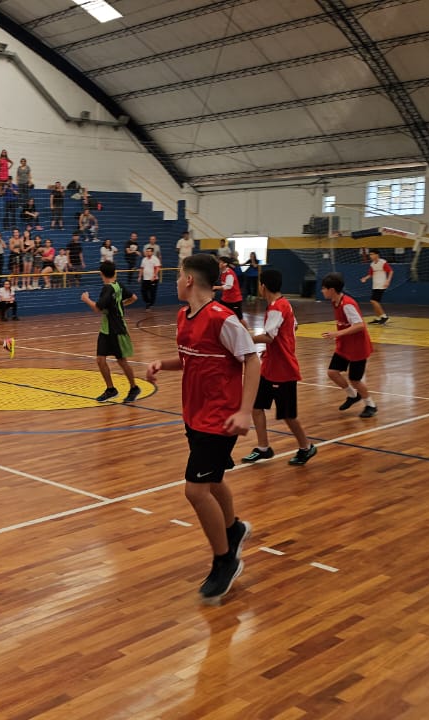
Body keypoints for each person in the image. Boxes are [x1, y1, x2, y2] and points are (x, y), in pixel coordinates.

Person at [145, 253, 258, 604]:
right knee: (214, 480)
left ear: (190, 280)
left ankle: (225, 561)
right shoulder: (184, 316)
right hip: (194, 414)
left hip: (220, 418)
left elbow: (251, 360)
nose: (175, 281)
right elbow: (189, 356)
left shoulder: (222, 319)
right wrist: (162, 364)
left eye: (178, 276)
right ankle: (234, 529)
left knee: (195, 492)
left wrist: (244, 411)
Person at [241, 268, 317, 466]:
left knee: (288, 415)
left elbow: (268, 336)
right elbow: (294, 326)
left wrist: (245, 337)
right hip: (270, 367)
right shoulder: (283, 304)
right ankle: (263, 448)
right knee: (257, 407)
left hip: (283, 370)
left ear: (263, 286)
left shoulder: (277, 307)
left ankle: (306, 447)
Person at [320, 272, 378, 418]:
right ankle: (352, 395)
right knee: (332, 372)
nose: (322, 291)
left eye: (324, 288)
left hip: (358, 347)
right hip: (345, 345)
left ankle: (370, 405)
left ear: (331, 290)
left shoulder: (348, 305)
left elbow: (359, 325)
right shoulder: (335, 301)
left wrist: (337, 334)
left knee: (355, 379)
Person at [82, 260, 140, 403]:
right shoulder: (118, 285)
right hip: (106, 329)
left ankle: (134, 388)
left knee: (121, 361)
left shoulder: (108, 288)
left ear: (101, 274)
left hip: (116, 329)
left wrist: (86, 299)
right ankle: (111, 389)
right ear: (115, 272)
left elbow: (97, 308)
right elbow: (133, 298)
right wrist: (120, 304)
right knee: (100, 360)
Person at [361, 249, 393, 323]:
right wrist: (365, 278)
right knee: (375, 302)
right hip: (375, 285)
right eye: (370, 254)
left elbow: (391, 271)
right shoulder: (372, 264)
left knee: (373, 301)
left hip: (381, 284)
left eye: (372, 254)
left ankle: (385, 317)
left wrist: (388, 281)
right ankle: (378, 318)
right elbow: (370, 274)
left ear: (377, 255)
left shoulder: (383, 262)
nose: (370, 256)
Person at [214, 253, 243, 319]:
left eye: (220, 262)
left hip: (234, 300)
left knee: (239, 319)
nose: (219, 263)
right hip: (225, 299)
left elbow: (228, 286)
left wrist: (215, 287)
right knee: (220, 315)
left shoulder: (229, 273)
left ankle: (245, 329)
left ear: (225, 264)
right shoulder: (222, 272)